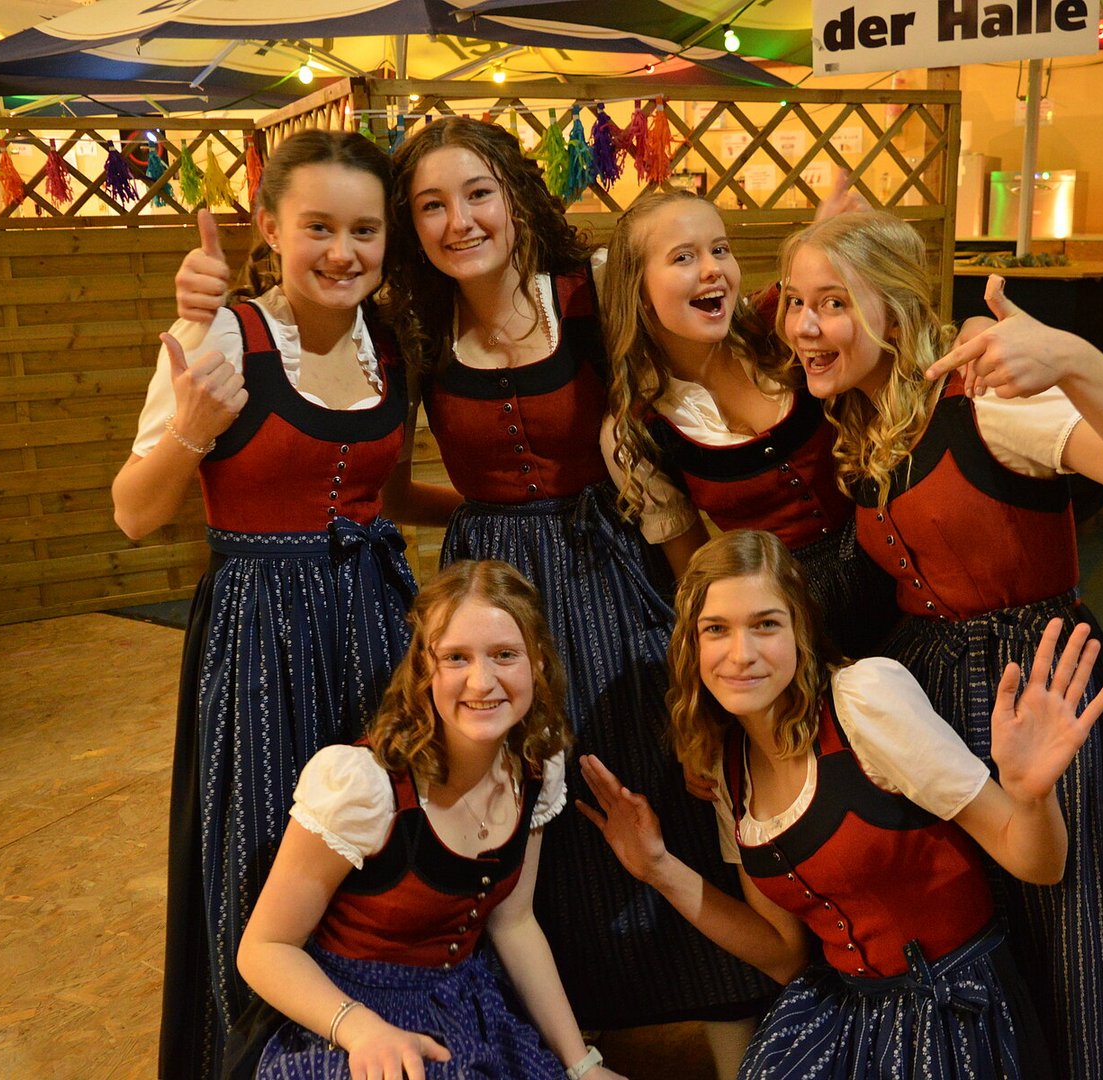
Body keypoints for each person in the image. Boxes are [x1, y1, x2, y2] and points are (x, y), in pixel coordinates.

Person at [178, 118, 773, 1073]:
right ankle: (571, 1036)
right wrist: (490, 515)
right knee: (526, 805)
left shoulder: (586, 296)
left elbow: (708, 343)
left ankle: (729, 1024)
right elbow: (378, 474)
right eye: (430, 206)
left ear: (515, 197)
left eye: (478, 193)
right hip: (496, 581)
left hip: (607, 568)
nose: (459, 221)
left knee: (650, 777)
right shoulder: (408, 332)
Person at [777, 211, 1103, 1080]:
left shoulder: (992, 403)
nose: (802, 326)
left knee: (1075, 943)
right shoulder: (866, 418)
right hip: (939, 702)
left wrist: (1075, 359)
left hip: (1042, 696)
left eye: (831, 303)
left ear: (895, 309)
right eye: (793, 301)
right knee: (990, 943)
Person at [115, 130, 448, 1080]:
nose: (343, 252)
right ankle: (266, 1058)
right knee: (265, 848)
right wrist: (191, 431)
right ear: (269, 227)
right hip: (260, 634)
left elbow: (389, 494)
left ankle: (377, 1041)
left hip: (378, 620)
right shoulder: (218, 335)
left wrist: (508, 505)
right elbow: (133, 514)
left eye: (364, 230)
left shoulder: (391, 346)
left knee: (379, 835)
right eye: (317, 228)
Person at [579, 529, 1103, 1078]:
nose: (741, 654)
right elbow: (784, 953)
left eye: (766, 624)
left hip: (952, 1009)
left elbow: (1039, 863)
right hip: (845, 1010)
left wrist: (1031, 796)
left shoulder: (862, 700)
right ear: (691, 646)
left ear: (800, 630)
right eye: (716, 629)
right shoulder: (728, 765)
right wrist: (657, 867)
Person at [234, 559, 623, 1080]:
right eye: (456, 657)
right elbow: (264, 949)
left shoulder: (534, 766)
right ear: (424, 668)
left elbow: (514, 922)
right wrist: (360, 1029)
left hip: (466, 1003)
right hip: (347, 1015)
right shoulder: (364, 785)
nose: (482, 682)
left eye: (505, 655)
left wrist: (582, 1065)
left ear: (537, 662)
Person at [600, 188, 895, 656]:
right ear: (638, 290)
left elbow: (894, 350)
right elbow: (697, 572)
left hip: (894, 564)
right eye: (683, 257)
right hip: (786, 619)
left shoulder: (782, 323)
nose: (712, 268)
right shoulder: (635, 430)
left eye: (720, 249)